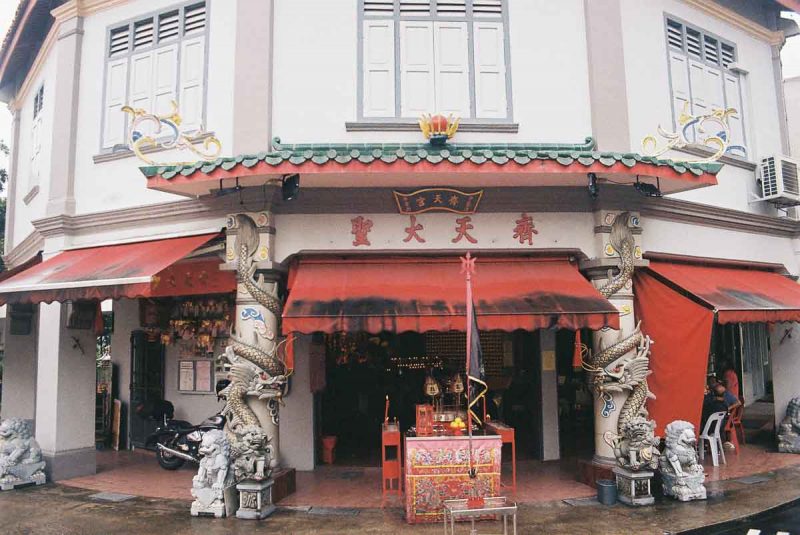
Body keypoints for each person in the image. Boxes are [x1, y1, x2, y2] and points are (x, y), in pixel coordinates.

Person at [702, 382, 742, 450]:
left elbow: (738, 402)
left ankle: (705, 445)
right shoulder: (723, 404)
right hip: (720, 425)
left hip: (711, 427)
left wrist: (729, 408)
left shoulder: (711, 403)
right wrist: (727, 409)